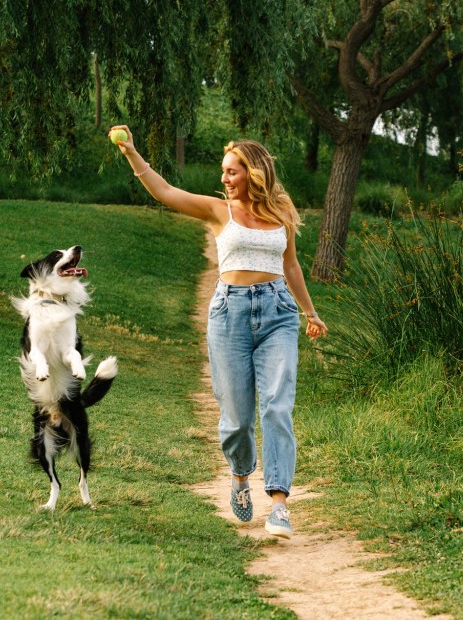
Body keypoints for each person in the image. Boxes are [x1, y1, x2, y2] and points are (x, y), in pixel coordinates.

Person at [111, 125, 327, 538]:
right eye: (224, 172)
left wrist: (309, 312)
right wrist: (132, 154)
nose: (225, 179)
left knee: (278, 405)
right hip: (229, 314)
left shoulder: (281, 210)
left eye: (232, 172)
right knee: (237, 418)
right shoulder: (217, 211)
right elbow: (165, 192)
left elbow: (292, 265)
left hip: (279, 311)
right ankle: (241, 474)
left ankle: (280, 503)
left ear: (254, 172)